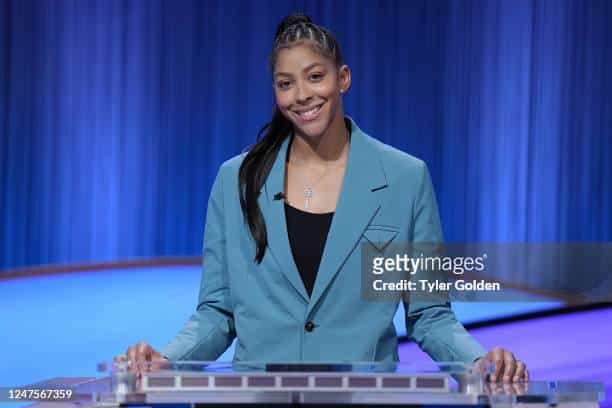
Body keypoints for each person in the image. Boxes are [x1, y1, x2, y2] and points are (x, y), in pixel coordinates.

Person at [117, 13, 528, 383]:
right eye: (285, 83)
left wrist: (477, 362)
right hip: (259, 397)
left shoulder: (405, 178)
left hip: (362, 397)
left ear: (343, 78)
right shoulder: (236, 180)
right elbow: (217, 313)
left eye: (315, 77)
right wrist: (167, 359)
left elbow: (429, 314)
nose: (301, 95)